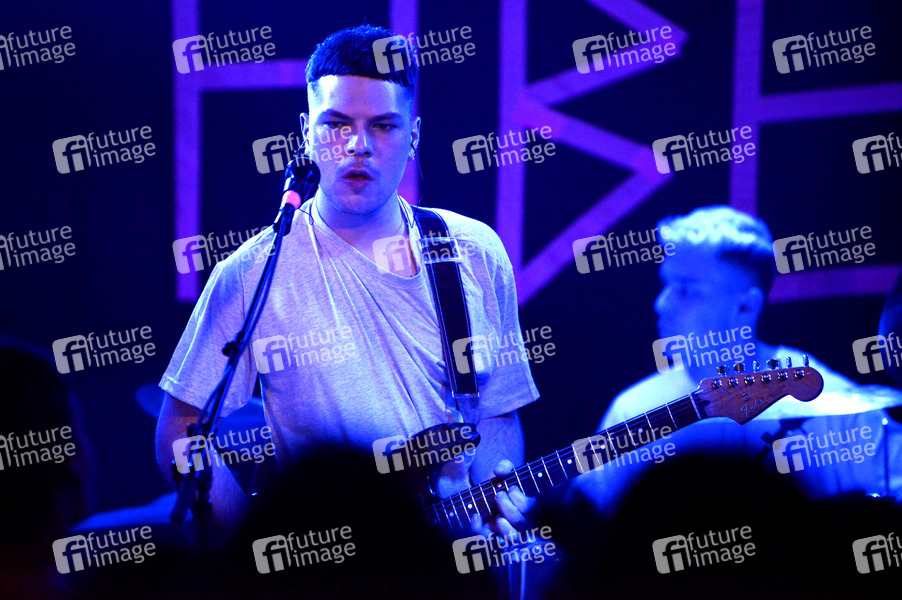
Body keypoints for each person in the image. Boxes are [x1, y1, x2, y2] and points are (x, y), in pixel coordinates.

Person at [155, 25, 539, 536]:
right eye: (337, 124)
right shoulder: (254, 270)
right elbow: (181, 430)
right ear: (306, 131)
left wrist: (493, 489)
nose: (358, 146)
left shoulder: (474, 251)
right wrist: (250, 545)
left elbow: (497, 414)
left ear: (414, 135)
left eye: (383, 126)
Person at [576, 205, 902, 509]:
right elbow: (583, 530)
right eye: (666, 285)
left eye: (685, 290)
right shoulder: (632, 410)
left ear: (746, 306)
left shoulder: (832, 406)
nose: (660, 304)